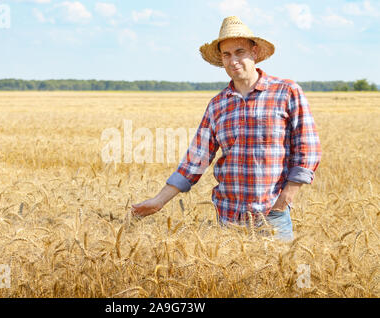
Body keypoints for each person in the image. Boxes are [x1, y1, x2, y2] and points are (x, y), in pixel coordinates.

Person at [131, 16, 322, 241]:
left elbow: (307, 149)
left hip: (272, 216)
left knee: (278, 277)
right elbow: (195, 159)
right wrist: (159, 201)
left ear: (255, 52)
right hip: (228, 217)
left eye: (240, 52)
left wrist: (284, 200)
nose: (233, 61)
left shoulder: (286, 92)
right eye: (227, 55)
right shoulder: (218, 104)